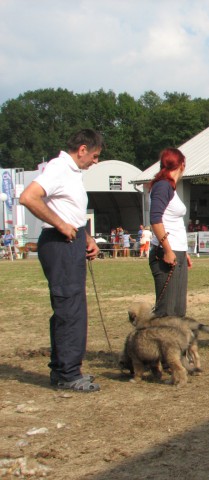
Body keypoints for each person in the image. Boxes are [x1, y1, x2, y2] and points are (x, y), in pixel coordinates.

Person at [19, 128, 104, 392]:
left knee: (71, 306)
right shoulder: (58, 168)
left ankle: (62, 369)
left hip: (72, 241)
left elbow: (69, 210)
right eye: (95, 155)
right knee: (70, 308)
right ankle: (68, 374)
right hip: (59, 243)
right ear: (82, 150)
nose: (95, 161)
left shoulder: (72, 173)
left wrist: (86, 237)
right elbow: (28, 197)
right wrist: (61, 225)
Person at [149, 147, 192, 317]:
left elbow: (172, 222)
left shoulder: (169, 187)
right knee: (167, 309)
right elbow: (155, 219)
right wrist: (167, 249)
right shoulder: (163, 186)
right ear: (182, 165)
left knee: (178, 310)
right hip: (166, 253)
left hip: (177, 251)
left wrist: (183, 251)